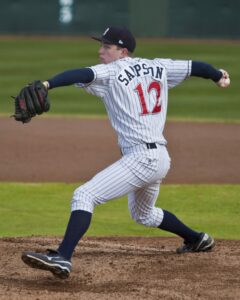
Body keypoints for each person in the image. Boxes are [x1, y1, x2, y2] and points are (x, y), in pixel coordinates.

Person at [21, 26, 230, 279]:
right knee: (144, 214)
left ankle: (63, 257)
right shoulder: (159, 66)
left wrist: (48, 83)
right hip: (160, 158)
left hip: (141, 158)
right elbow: (195, 66)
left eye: (107, 47)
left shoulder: (111, 71)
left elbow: (82, 73)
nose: (100, 51)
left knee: (84, 195)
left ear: (123, 51)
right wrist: (218, 75)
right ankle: (198, 239)